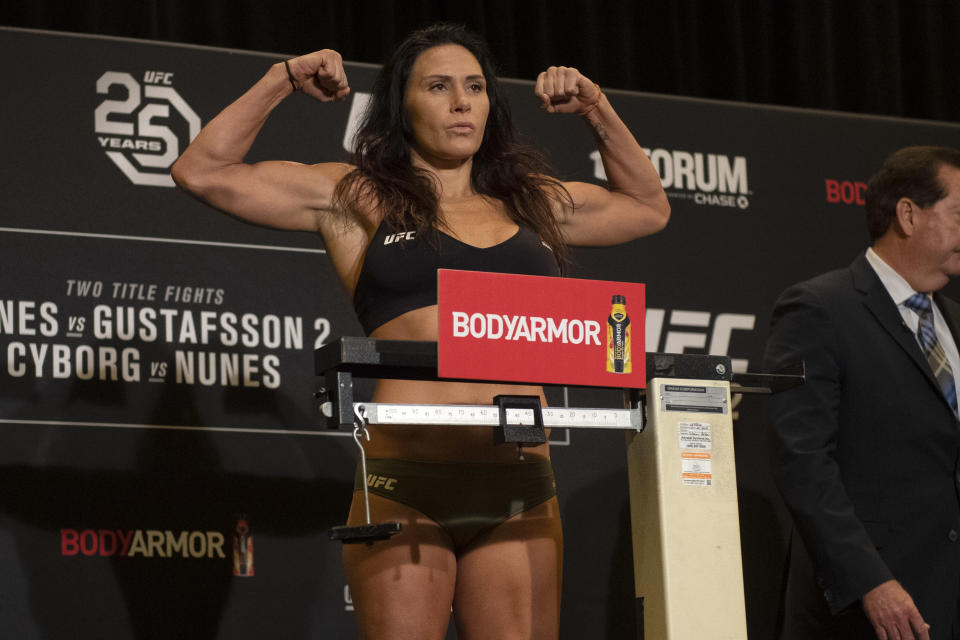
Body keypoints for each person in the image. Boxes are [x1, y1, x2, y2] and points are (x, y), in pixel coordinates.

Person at [172, 23, 669, 640]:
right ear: (401, 107)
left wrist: (596, 106)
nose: (462, 102)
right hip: (405, 481)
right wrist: (282, 81)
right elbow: (202, 171)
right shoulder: (357, 195)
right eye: (439, 87)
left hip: (518, 483)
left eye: (475, 87)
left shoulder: (532, 201)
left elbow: (649, 206)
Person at [764, 146, 960, 640]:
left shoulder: (956, 321)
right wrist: (870, 581)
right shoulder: (819, 309)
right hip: (871, 610)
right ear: (909, 215)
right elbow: (804, 461)